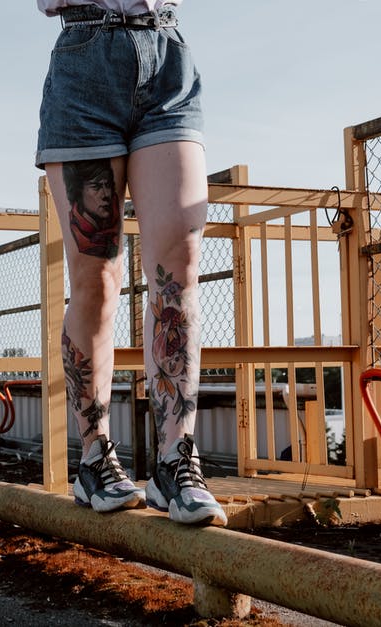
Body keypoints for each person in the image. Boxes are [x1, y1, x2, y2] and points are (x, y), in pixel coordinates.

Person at [36, 0, 226, 526]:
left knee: (180, 263)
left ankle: (175, 460)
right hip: (85, 54)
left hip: (167, 54)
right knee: (97, 276)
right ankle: (95, 457)